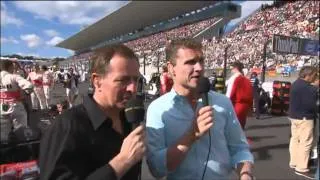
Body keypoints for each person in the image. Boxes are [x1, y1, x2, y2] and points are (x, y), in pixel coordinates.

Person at [146, 39, 254, 180]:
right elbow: (157, 169)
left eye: (201, 61)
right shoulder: (158, 109)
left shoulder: (222, 103)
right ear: (172, 68)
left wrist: (245, 173)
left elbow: (239, 148)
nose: (199, 68)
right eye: (190, 62)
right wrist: (191, 135)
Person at [39, 44, 145, 180]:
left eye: (135, 80)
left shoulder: (129, 119)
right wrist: (122, 162)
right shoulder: (67, 127)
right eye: (123, 80)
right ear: (97, 81)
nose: (133, 88)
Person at [288, 66, 318, 179]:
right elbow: (311, 105)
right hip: (305, 117)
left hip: (294, 116)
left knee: (295, 139)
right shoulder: (308, 88)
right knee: (306, 142)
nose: (315, 78)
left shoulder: (295, 83)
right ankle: (301, 168)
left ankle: (294, 162)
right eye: (314, 75)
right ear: (308, 75)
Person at [0, 60, 33, 142]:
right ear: (10, 67)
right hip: (15, 105)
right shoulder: (13, 77)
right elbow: (29, 86)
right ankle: (24, 147)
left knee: (3, 131)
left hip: (2, 106)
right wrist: (26, 93)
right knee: (22, 129)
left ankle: (5, 148)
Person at [226, 61, 253, 129]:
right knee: (241, 126)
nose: (231, 70)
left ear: (235, 68)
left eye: (232, 69)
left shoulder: (234, 78)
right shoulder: (246, 80)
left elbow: (229, 94)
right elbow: (250, 95)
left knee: (233, 127)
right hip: (245, 106)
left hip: (236, 105)